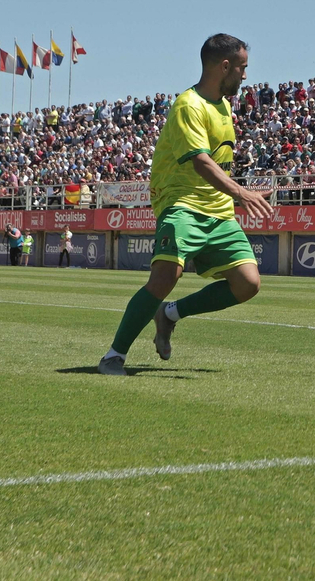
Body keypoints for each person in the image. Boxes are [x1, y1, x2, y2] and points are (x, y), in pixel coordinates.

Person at [97, 33, 276, 376]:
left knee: (248, 284)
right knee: (166, 275)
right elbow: (201, 163)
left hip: (218, 210)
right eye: (242, 68)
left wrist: (233, 195)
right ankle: (113, 356)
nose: (245, 75)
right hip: (181, 203)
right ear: (224, 66)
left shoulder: (224, 105)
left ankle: (169, 315)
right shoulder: (188, 105)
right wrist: (241, 193)